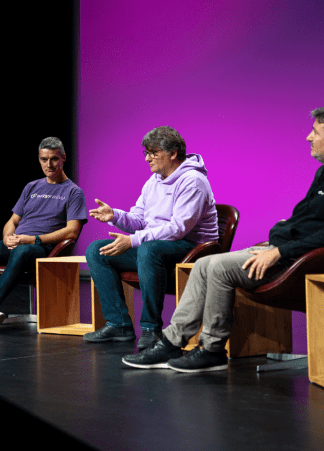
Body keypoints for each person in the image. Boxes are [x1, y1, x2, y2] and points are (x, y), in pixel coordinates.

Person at [122, 107, 324, 373]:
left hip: (293, 257)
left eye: (315, 132)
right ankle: (172, 342)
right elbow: (306, 221)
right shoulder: (322, 174)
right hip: (282, 248)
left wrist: (279, 251)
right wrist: (280, 235)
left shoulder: (192, 180)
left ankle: (212, 349)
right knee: (204, 265)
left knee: (217, 267)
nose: (309, 137)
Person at [83, 126, 219, 349]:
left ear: (173, 153)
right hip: (158, 247)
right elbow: (139, 219)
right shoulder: (154, 181)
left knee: (148, 249)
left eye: (153, 153)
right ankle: (118, 324)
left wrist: (134, 241)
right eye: (146, 153)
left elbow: (178, 228)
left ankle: (150, 328)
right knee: (97, 251)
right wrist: (115, 215)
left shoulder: (193, 181)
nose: (147, 159)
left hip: (192, 248)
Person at [0, 137, 87, 335]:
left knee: (23, 251)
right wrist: (8, 236)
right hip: (16, 243)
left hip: (39, 247)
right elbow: (12, 221)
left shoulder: (74, 192)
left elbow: (72, 231)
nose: (49, 164)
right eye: (44, 159)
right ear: (39, 159)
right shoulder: (32, 186)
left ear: (63, 158)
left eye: (54, 159)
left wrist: (33, 239)